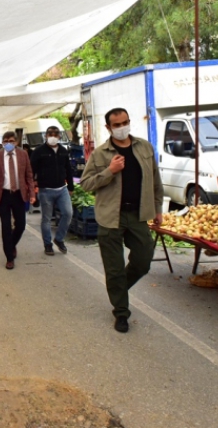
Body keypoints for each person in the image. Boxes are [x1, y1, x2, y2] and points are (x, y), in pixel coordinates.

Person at [80, 107, 164, 333]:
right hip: (110, 217)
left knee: (143, 259)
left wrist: (158, 209)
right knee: (114, 268)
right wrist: (110, 170)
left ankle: (118, 290)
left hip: (138, 214)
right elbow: (86, 184)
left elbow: (155, 180)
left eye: (125, 122)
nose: (121, 127)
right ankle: (121, 312)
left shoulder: (144, 148)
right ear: (108, 128)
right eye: (116, 125)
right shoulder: (100, 154)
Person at [0, 131, 35, 270]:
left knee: (21, 225)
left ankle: (11, 244)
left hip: (19, 194)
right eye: (6, 141)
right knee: (6, 226)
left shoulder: (23, 155)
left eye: (11, 141)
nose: (9, 143)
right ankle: (9, 257)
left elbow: (29, 176)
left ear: (16, 142)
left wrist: (32, 193)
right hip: (3, 195)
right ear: (2, 142)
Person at [31, 126, 75, 255]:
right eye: (50, 134)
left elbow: (68, 169)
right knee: (47, 219)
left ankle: (59, 239)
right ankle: (47, 244)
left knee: (68, 213)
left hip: (62, 189)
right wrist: (32, 187)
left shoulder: (63, 151)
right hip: (45, 190)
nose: (53, 136)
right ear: (46, 136)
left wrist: (71, 187)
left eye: (56, 134)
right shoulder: (39, 151)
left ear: (60, 136)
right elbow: (31, 170)